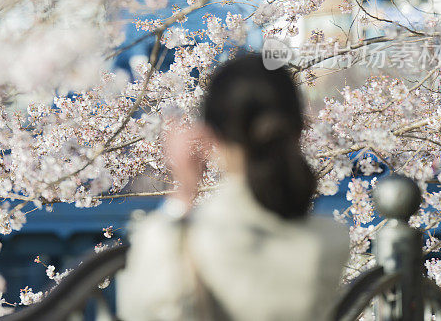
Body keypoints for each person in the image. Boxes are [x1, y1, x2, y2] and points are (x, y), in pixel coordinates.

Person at [117, 53, 349, 320]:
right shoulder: (331, 239)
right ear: (298, 127)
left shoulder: (185, 239)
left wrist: (182, 196)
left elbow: (141, 311)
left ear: (210, 136)